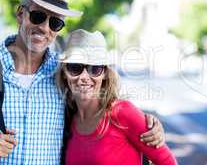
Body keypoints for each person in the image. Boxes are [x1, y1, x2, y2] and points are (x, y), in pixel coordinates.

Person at [0, 0, 165, 164]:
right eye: (37, 16)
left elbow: (100, 104)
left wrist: (147, 124)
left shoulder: (65, 72)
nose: (44, 28)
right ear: (20, 14)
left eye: (55, 22)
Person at [56, 29, 178, 165]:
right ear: (64, 73)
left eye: (94, 69)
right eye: (75, 67)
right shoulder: (66, 120)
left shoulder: (122, 112)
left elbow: (168, 162)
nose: (84, 77)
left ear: (105, 74)